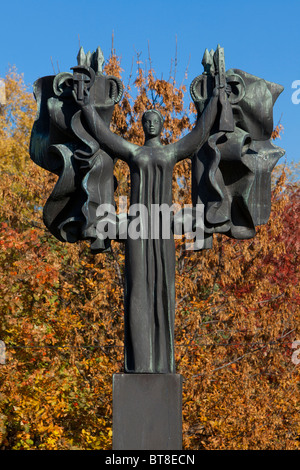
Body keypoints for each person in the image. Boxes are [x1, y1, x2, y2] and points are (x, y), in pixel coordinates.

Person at [73, 81, 219, 373]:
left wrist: (215, 98)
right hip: (138, 227)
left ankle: (162, 362)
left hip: (162, 227)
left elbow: (199, 135)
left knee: (164, 290)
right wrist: (86, 105)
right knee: (138, 289)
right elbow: (104, 137)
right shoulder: (135, 153)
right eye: (146, 121)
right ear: (142, 126)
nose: (150, 125)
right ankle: (141, 363)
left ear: (162, 126)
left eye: (155, 122)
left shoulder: (170, 153)